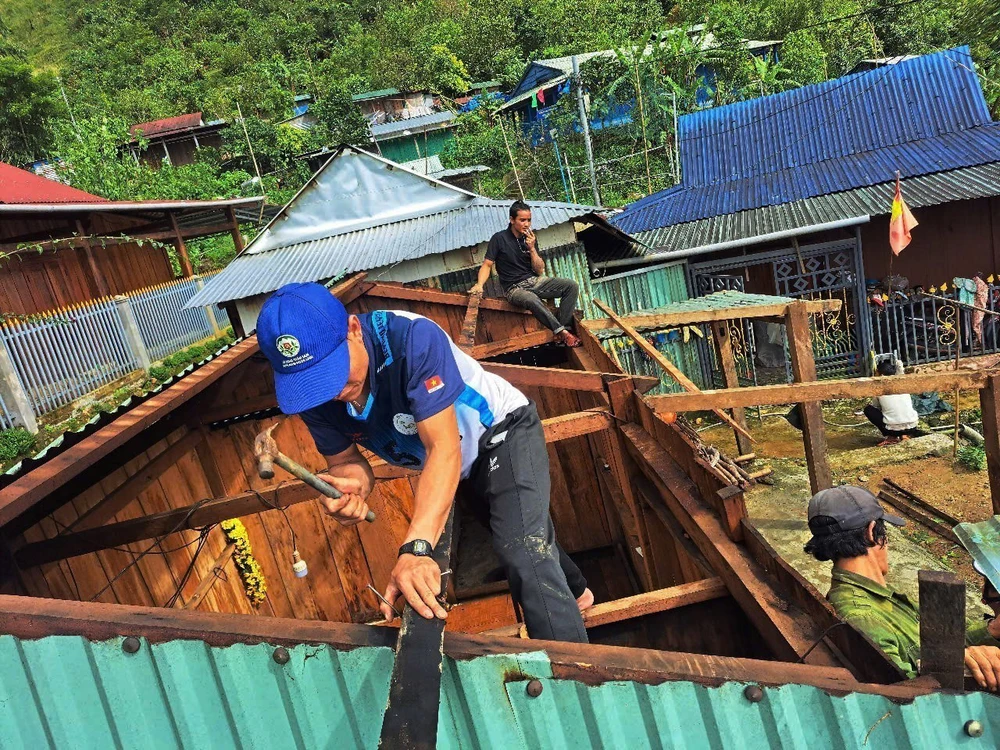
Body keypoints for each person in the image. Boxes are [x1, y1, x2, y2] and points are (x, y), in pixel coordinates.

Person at [256, 281, 593, 643]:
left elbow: (443, 449)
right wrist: (351, 485)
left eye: (333, 372)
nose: (332, 392)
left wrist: (417, 549)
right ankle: (578, 596)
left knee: (522, 548)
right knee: (518, 533)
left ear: (354, 329)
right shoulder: (316, 397)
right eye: (313, 384)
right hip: (457, 463)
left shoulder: (411, 339)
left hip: (499, 431)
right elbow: (346, 461)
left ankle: (580, 680)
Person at [804, 485, 1000, 689]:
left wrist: (992, 629)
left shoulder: (874, 595)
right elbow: (904, 687)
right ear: (872, 533)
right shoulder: (863, 616)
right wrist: (957, 662)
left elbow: (935, 642)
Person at [469, 200, 582, 347]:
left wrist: (532, 249)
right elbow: (487, 265)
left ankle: (564, 331)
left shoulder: (530, 239)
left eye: (529, 220)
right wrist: (479, 285)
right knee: (531, 299)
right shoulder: (499, 239)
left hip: (534, 281)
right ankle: (563, 334)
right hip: (514, 289)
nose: (527, 224)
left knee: (571, 286)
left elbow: (540, 270)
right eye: (522, 220)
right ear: (511, 220)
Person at [865, 358, 925, 446]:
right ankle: (904, 435)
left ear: (880, 374)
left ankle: (891, 437)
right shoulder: (902, 384)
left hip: (892, 429)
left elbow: (876, 406)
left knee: (868, 410)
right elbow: (901, 371)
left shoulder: (879, 389)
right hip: (913, 426)